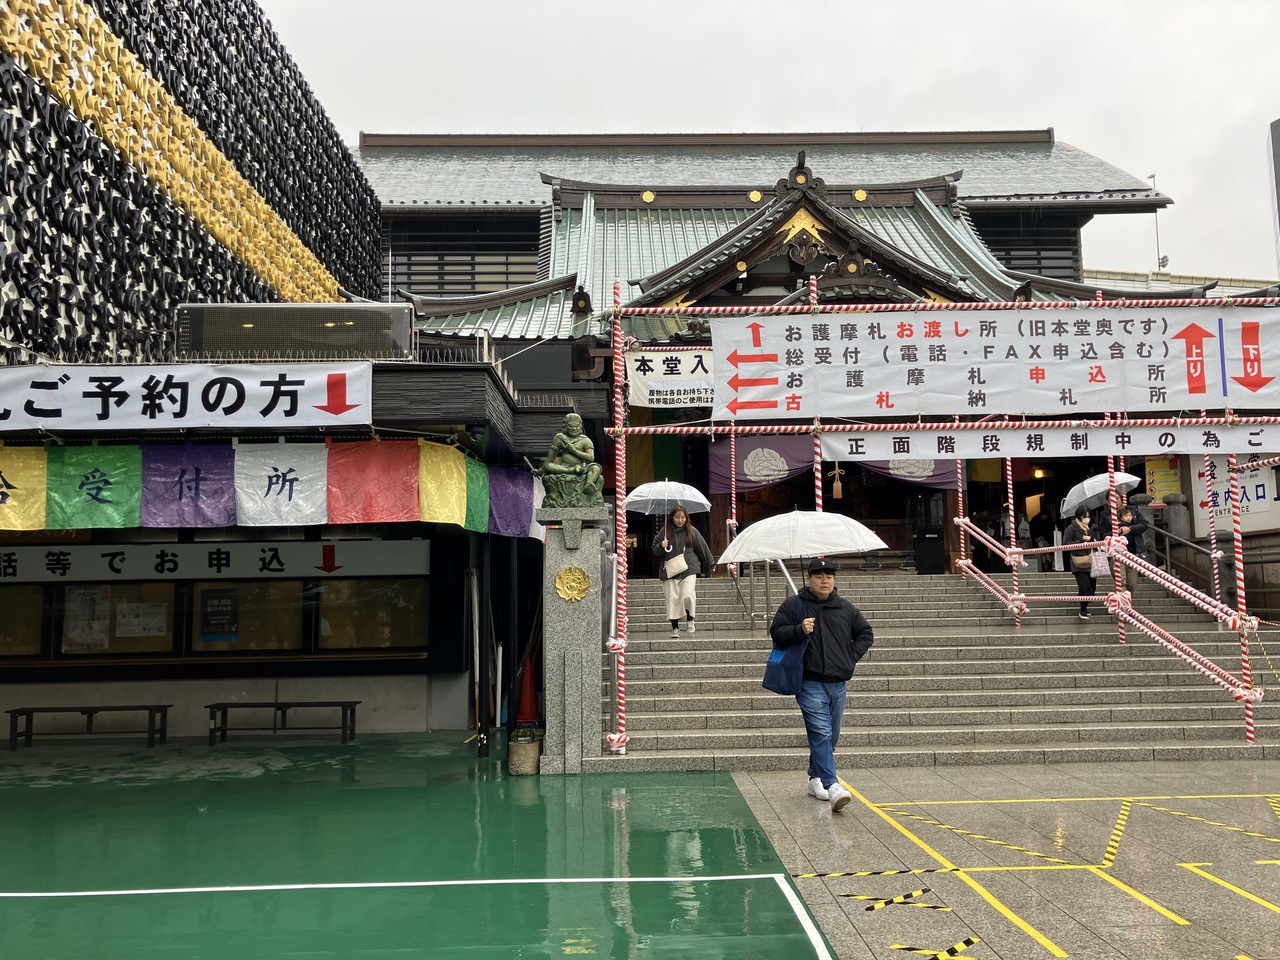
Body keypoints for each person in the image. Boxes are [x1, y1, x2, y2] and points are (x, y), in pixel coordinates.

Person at [769, 557, 874, 813]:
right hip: (809, 682)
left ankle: (815, 776)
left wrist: (849, 658)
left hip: (838, 683)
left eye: (829, 576)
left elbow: (866, 634)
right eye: (818, 576)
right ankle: (832, 784)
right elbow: (777, 632)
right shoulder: (795, 605)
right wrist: (799, 629)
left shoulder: (845, 608)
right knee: (822, 733)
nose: (824, 581)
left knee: (832, 735)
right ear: (809, 579)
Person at [652, 503, 714, 638]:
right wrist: (661, 545)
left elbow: (703, 547)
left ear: (687, 518)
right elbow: (655, 550)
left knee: (687, 594)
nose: (680, 520)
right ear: (672, 518)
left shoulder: (692, 531)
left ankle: (690, 619)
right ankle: (675, 627)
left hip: (689, 568)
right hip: (670, 570)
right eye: (677, 517)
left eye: (683, 517)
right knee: (672, 598)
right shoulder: (664, 532)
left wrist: (711, 563)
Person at [534, 413, 603, 506]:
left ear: (580, 426)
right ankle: (571, 471)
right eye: (571, 426)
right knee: (548, 466)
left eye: (576, 426)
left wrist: (574, 451)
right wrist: (541, 470)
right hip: (565, 467)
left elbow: (591, 458)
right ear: (565, 426)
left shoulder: (585, 440)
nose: (574, 429)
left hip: (581, 467)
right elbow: (550, 458)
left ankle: (589, 484)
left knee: (596, 467)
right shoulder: (560, 438)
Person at [1062, 507, 1097, 620]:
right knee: (1084, 585)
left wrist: (1091, 539)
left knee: (1092, 587)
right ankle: (1083, 609)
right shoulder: (1071, 528)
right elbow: (1066, 544)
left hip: (1093, 559)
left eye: (1088, 516)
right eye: (1084, 516)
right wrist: (1081, 542)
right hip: (1078, 560)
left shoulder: (1093, 527)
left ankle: (1085, 602)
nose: (1087, 519)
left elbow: (1099, 540)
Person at [1116, 506, 1148, 593]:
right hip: (1120, 555)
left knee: (1132, 582)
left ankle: (1129, 596)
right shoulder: (1118, 527)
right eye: (1126, 516)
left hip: (1133, 553)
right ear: (1121, 518)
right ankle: (1122, 597)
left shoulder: (1135, 526)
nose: (1128, 518)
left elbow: (1144, 525)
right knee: (1121, 579)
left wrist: (1130, 529)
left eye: (1130, 516)